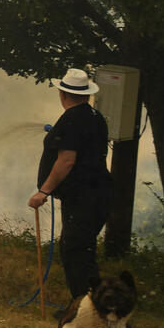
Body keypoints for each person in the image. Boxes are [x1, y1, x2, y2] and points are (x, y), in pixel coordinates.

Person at [28, 68, 113, 300]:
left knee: (75, 251)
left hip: (84, 196)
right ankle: (89, 305)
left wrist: (43, 191)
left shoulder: (72, 119)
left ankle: (86, 308)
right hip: (96, 194)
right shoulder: (95, 117)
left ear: (62, 94)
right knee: (82, 250)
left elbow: (67, 160)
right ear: (86, 94)